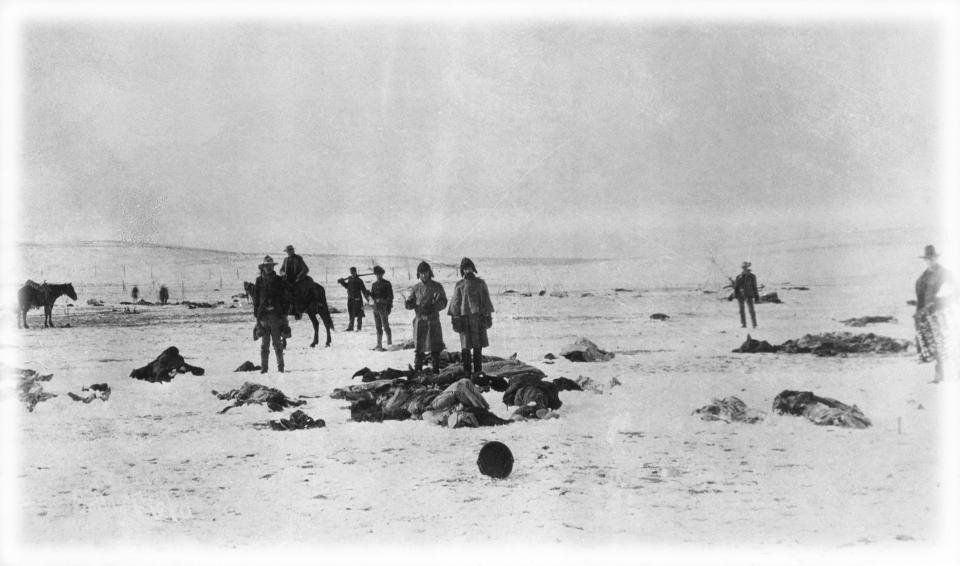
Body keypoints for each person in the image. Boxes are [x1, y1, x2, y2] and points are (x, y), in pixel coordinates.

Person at [914, 245, 956, 383]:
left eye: (932, 258)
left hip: (943, 312)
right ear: (925, 260)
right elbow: (920, 298)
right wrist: (918, 316)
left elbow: (955, 292)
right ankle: (939, 376)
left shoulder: (945, 273)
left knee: (950, 343)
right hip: (928, 314)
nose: (930, 261)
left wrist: (940, 301)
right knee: (935, 345)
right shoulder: (922, 278)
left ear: (936, 258)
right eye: (927, 259)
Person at [448, 257, 494, 380]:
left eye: (469, 268)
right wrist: (455, 318)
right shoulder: (459, 285)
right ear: (462, 271)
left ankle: (478, 371)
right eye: (465, 269)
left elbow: (486, 300)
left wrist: (488, 316)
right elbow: (455, 303)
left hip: (478, 320)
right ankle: (467, 372)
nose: (467, 271)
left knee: (478, 347)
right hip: (464, 320)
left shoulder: (480, 283)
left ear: (473, 269)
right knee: (465, 347)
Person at [404, 261, 447, 374]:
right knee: (419, 346)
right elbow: (410, 301)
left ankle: (436, 369)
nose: (424, 275)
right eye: (421, 273)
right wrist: (409, 304)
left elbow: (443, 302)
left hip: (433, 320)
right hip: (420, 320)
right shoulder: (415, 288)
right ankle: (418, 368)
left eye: (426, 272)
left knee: (435, 346)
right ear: (418, 274)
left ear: (430, 272)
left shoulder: (437, 286)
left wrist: (434, 307)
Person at [253, 255, 289, 373]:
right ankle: (264, 369)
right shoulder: (259, 281)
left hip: (276, 316)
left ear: (273, 267)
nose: (268, 268)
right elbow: (256, 299)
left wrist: (284, 315)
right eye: (266, 266)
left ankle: (281, 368)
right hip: (263, 316)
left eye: (271, 266)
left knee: (277, 344)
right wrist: (257, 316)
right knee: (264, 345)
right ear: (263, 267)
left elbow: (285, 298)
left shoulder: (279, 280)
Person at [338, 267, 371, 331]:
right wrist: (342, 282)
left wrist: (369, 299)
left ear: (355, 272)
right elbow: (347, 286)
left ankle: (359, 328)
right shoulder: (350, 279)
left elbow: (364, 290)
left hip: (358, 300)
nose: (352, 273)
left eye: (353, 272)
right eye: (351, 272)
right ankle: (351, 327)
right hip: (350, 299)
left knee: (359, 314)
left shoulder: (359, 280)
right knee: (351, 314)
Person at [370, 265, 394, 351]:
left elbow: (390, 297)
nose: (378, 276)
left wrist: (381, 300)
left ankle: (389, 344)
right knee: (378, 326)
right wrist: (368, 295)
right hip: (376, 309)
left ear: (382, 274)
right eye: (377, 274)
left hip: (383, 308)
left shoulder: (387, 284)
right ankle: (379, 344)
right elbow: (371, 297)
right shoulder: (374, 284)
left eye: (380, 274)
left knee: (385, 325)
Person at [734, 261, 760, 328]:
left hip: (749, 295)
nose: (745, 269)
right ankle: (743, 324)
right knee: (741, 310)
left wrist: (756, 296)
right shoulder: (738, 277)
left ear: (748, 268)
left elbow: (755, 286)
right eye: (744, 268)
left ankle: (754, 324)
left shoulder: (752, 276)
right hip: (740, 295)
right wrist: (735, 295)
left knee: (751, 310)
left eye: (746, 268)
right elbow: (736, 287)